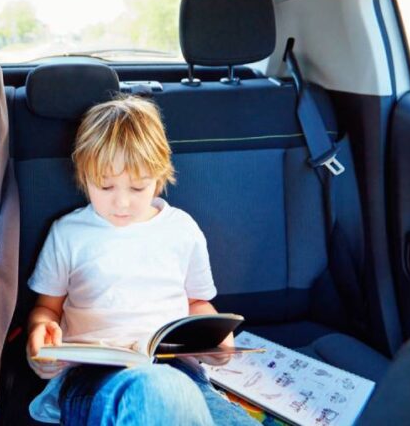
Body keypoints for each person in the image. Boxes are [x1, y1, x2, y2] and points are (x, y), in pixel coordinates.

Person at [25, 96, 257, 425]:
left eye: (137, 187)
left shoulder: (181, 229)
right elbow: (47, 308)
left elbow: (198, 302)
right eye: (105, 186)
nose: (121, 202)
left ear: (159, 176)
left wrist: (215, 340)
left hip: (179, 370)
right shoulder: (69, 233)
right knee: (160, 393)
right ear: (84, 176)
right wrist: (41, 335)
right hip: (94, 377)